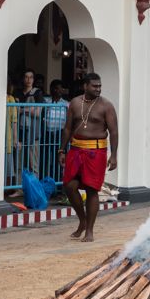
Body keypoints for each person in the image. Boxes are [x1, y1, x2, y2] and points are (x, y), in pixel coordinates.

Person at [58, 73, 119, 243]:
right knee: (69, 186)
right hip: (76, 150)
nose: (98, 89)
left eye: (99, 86)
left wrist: (113, 155)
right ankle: (83, 221)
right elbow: (67, 129)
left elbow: (113, 131)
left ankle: (89, 231)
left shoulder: (106, 105)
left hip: (96, 152)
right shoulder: (75, 103)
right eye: (94, 86)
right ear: (85, 86)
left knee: (92, 190)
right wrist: (61, 151)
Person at [43, 80, 70, 176]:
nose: (59, 90)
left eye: (61, 88)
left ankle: (57, 180)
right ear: (52, 89)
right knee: (45, 158)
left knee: (58, 157)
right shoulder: (45, 101)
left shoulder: (66, 104)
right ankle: (45, 179)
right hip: (47, 133)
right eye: (57, 88)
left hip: (60, 134)